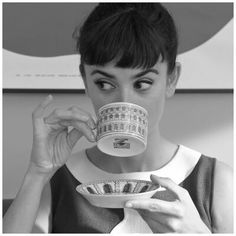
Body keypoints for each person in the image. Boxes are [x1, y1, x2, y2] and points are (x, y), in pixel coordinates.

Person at [3, 3, 233, 233]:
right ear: (85, 81)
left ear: (172, 79)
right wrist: (37, 172)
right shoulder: (56, 180)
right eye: (104, 84)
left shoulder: (214, 181)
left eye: (142, 84)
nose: (124, 100)